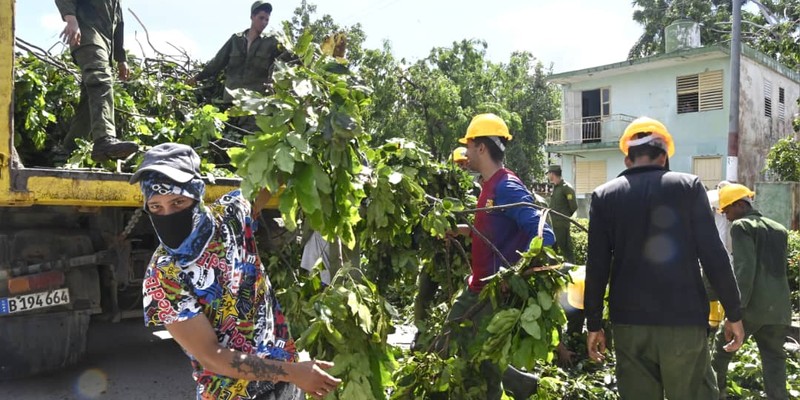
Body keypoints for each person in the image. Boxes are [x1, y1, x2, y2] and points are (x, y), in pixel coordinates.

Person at [130, 143, 340, 400]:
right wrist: (294, 372)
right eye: (156, 207)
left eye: (178, 201)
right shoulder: (163, 275)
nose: (168, 214)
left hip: (285, 384)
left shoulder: (232, 215)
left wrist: (302, 139)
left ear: (196, 194)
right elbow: (212, 356)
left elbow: (275, 172)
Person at [583, 116, 745, 399]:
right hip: (682, 322)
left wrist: (593, 323)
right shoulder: (688, 187)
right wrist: (734, 313)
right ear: (665, 156)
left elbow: (596, 266)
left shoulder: (603, 196)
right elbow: (713, 254)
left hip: (629, 324)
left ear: (627, 159)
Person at [445, 113, 556, 400]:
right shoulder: (489, 186)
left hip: (494, 293)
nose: (466, 153)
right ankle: (517, 384)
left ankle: (518, 386)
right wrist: (464, 231)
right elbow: (496, 227)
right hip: (478, 286)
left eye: (469, 146)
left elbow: (545, 234)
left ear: (482, 147)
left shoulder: (506, 186)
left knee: (480, 355)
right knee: (458, 341)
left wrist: (515, 275)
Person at [711, 184, 791, 400]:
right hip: (779, 310)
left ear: (740, 205)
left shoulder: (742, 226)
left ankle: (714, 394)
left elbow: (744, 271)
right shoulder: (779, 228)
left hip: (752, 307)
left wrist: (734, 312)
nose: (727, 217)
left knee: (721, 350)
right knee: (774, 359)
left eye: (727, 210)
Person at [55, 0, 138, 162]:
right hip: (86, 34)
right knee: (101, 79)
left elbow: (119, 26)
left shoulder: (116, 3)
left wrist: (121, 59)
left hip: (104, 44)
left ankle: (67, 150)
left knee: (89, 102)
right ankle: (104, 139)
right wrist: (71, 19)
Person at [189, 1, 282, 133]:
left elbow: (287, 63)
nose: (264, 22)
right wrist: (197, 77)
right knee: (227, 140)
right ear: (252, 17)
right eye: (261, 18)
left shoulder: (272, 42)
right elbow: (217, 62)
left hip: (254, 105)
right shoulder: (235, 40)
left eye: (267, 19)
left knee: (248, 141)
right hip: (230, 103)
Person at [546, 165, 578, 262]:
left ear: (552, 174)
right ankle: (552, 271)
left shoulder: (566, 188)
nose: (548, 176)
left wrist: (564, 217)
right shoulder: (556, 187)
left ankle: (572, 269)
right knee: (552, 250)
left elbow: (573, 206)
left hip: (561, 225)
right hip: (553, 225)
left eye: (548, 174)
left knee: (566, 249)